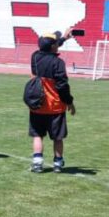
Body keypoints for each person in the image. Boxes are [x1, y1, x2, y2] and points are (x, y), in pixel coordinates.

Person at [29, 31, 76, 173]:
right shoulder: (58, 63)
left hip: (38, 104)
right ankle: (58, 163)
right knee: (58, 137)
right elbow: (62, 85)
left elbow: (48, 47)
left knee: (38, 135)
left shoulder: (35, 57)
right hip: (55, 107)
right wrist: (69, 101)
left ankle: (37, 163)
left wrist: (63, 39)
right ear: (53, 46)